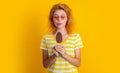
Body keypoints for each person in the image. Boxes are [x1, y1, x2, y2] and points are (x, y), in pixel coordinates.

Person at [40, 3, 84, 73]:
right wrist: (54, 56)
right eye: (56, 17)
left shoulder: (75, 37)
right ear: (52, 19)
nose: (59, 20)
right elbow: (45, 65)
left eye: (62, 17)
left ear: (67, 19)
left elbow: (78, 63)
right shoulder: (46, 38)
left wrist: (64, 55)